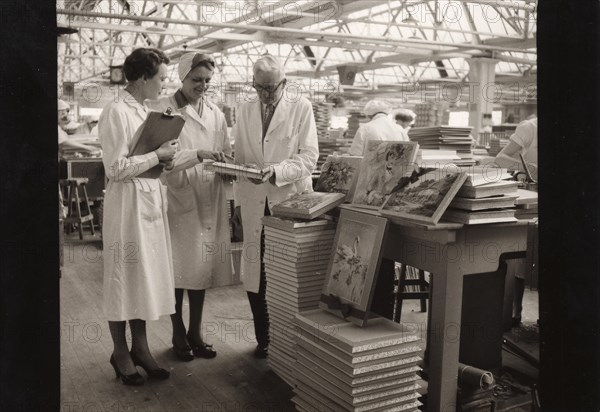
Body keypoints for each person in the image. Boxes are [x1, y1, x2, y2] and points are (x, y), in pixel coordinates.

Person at [98, 48, 178, 385]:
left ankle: (142, 349)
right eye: (160, 78)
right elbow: (115, 169)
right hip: (126, 206)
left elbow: (145, 158)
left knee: (143, 279)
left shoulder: (147, 111)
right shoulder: (115, 111)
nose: (164, 84)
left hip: (148, 202)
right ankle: (120, 353)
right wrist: (155, 155)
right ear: (144, 77)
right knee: (122, 278)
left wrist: (165, 159)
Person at [147, 52, 232, 362]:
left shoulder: (216, 114)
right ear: (182, 77)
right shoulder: (163, 110)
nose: (203, 86)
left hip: (209, 194)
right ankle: (177, 331)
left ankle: (195, 331)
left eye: (208, 81)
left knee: (200, 270)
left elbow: (222, 151)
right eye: (197, 80)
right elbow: (163, 161)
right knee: (177, 270)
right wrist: (198, 154)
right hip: (178, 198)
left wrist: (227, 165)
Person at [233, 54, 319, 358]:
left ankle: (291, 343)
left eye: (273, 89)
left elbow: (309, 157)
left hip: (288, 198)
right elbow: (241, 154)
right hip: (255, 200)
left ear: (284, 83)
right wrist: (237, 171)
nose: (267, 96)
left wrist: (277, 172)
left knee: (286, 274)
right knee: (256, 274)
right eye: (261, 89)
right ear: (253, 85)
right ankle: (264, 339)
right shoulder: (244, 110)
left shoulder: (301, 107)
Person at [494, 116, 538, 326]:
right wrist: (530, 167)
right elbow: (500, 158)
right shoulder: (530, 127)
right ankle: (513, 313)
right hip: (531, 199)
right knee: (520, 258)